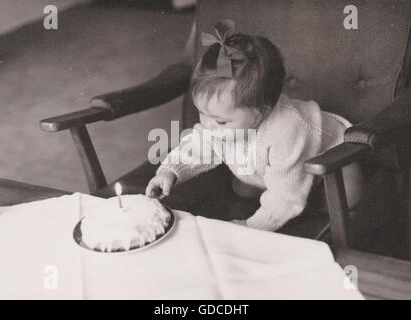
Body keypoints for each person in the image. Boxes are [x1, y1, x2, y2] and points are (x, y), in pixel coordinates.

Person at [145, 19, 364, 231]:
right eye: (202, 113)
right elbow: (197, 146)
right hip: (271, 169)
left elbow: (285, 196)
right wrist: (170, 171)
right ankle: (268, 186)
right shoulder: (222, 122)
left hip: (330, 159)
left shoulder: (286, 130)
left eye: (220, 121)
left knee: (348, 194)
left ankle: (350, 214)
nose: (208, 126)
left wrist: (253, 226)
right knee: (244, 189)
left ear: (262, 111)